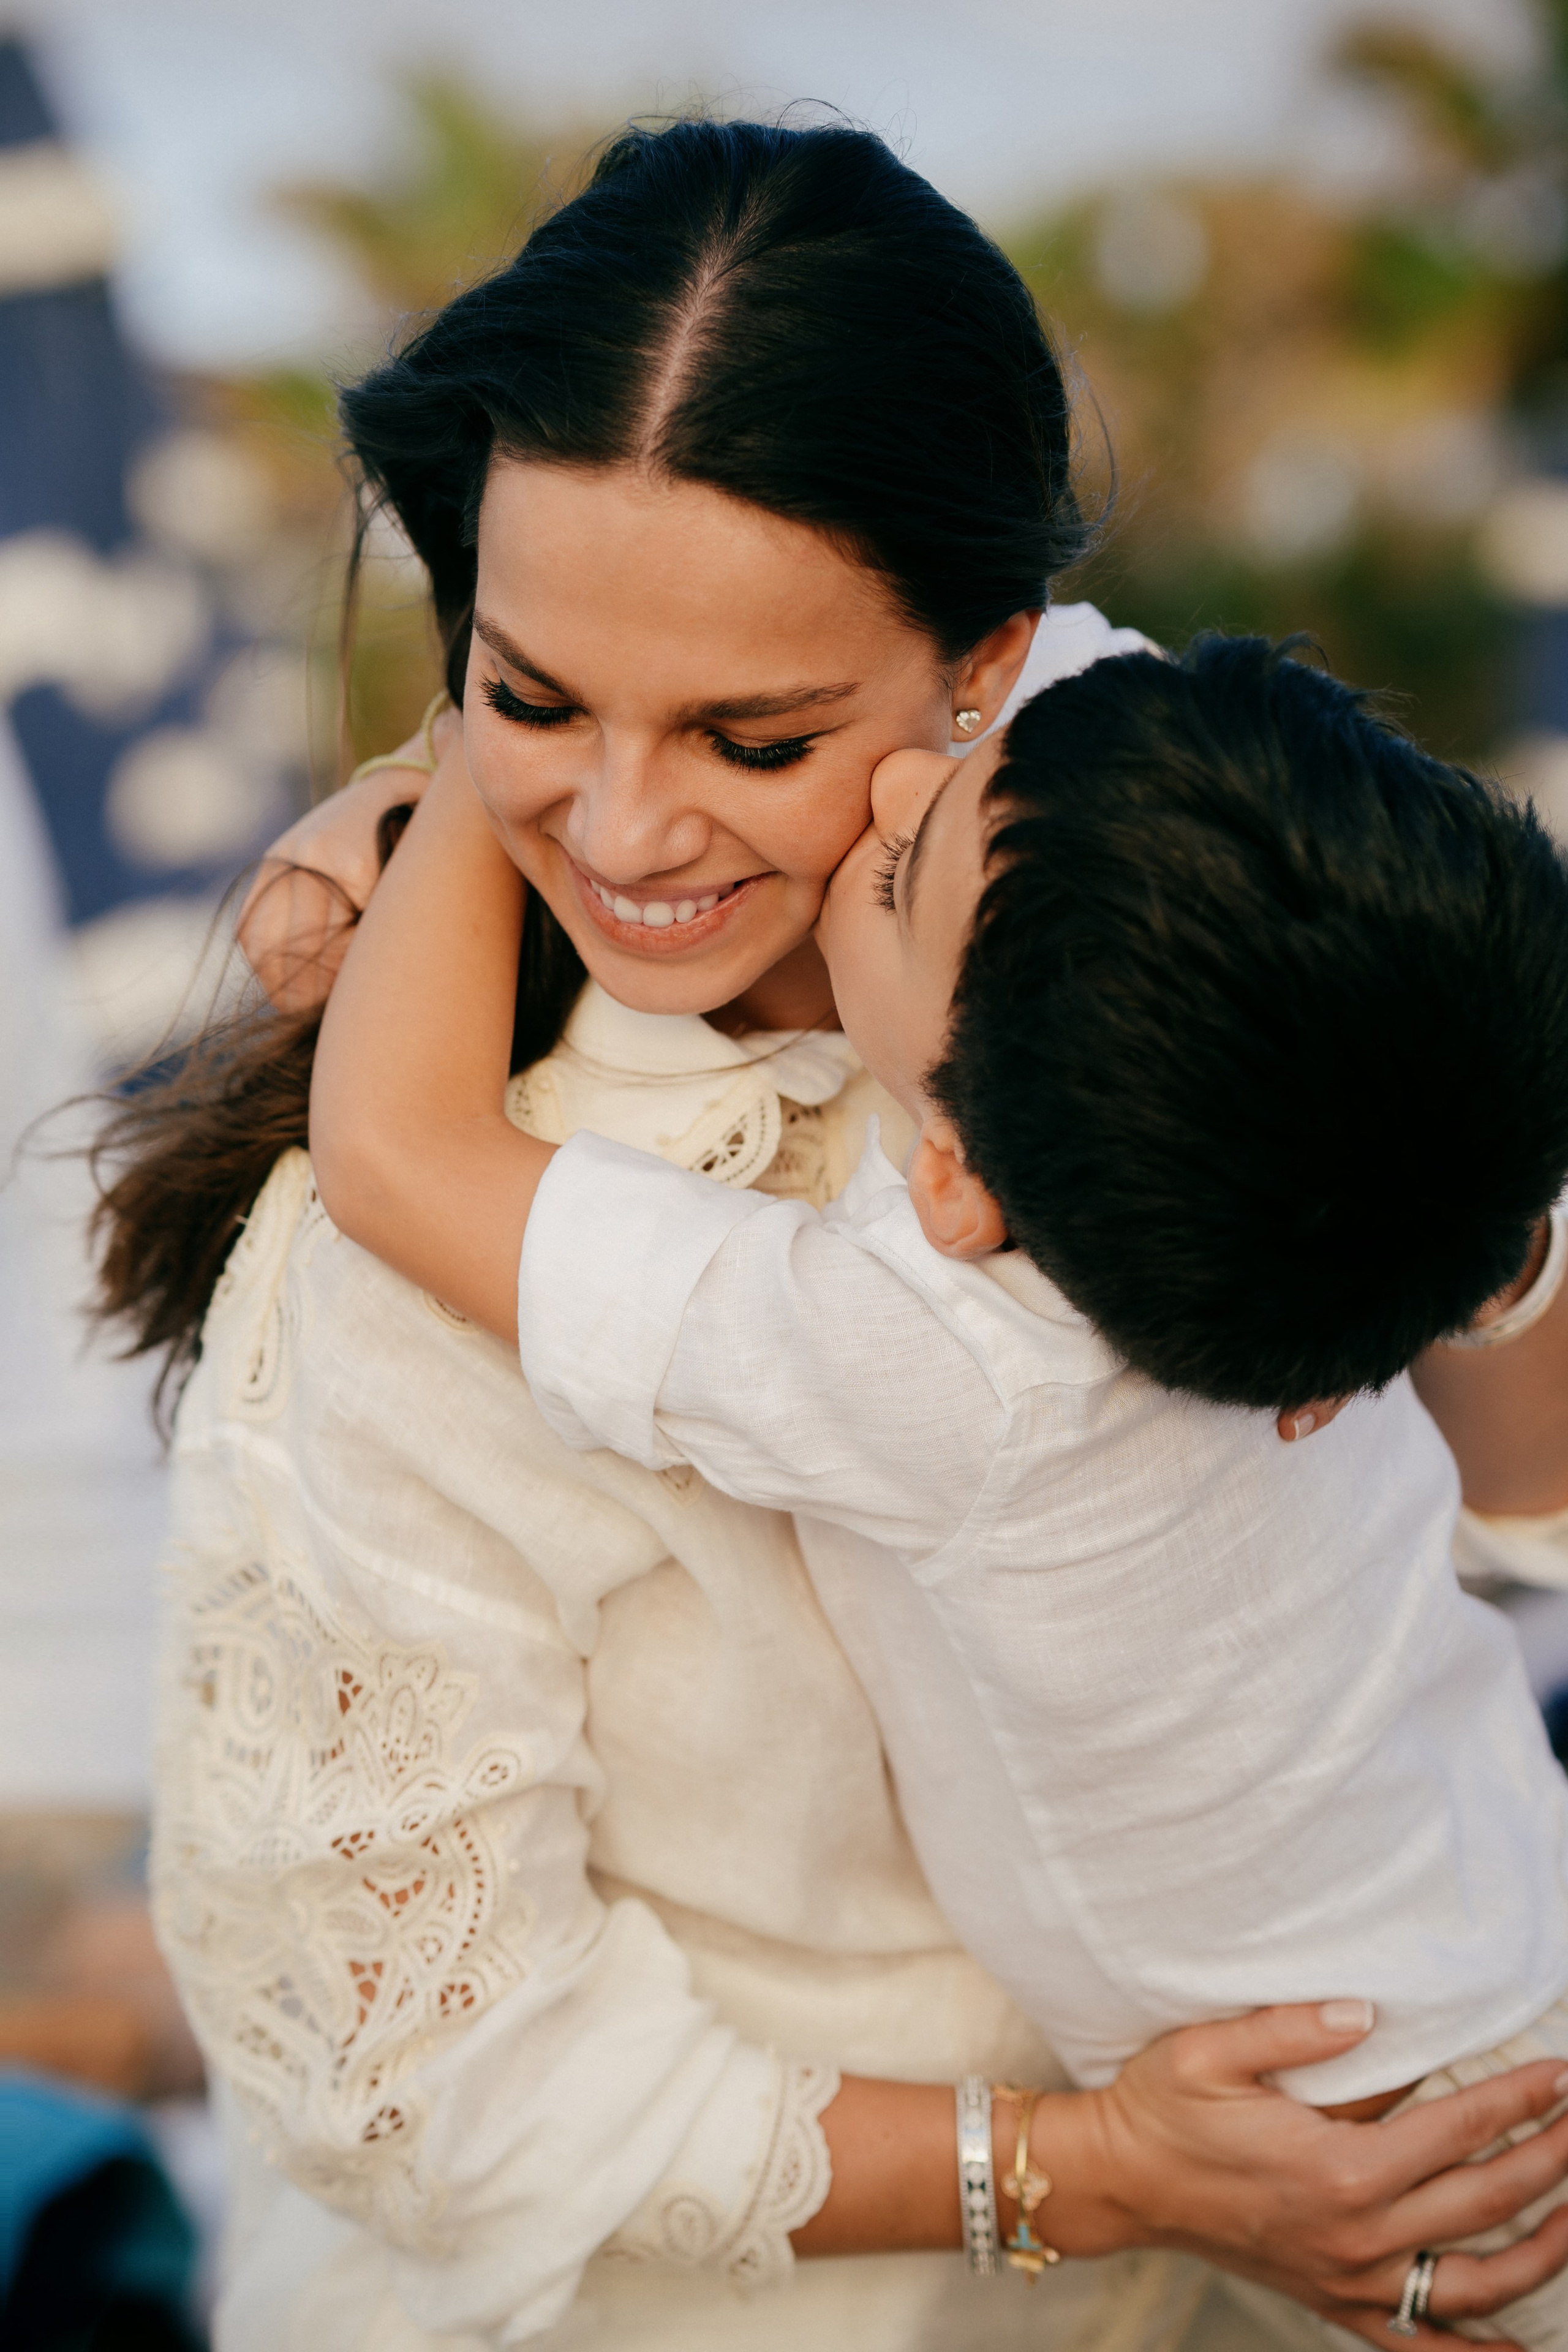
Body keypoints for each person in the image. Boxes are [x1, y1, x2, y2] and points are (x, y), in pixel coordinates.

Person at [99, 120, 1568, 2351]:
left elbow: (1527, 1481)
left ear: (989, 668)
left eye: (756, 733)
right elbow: (429, 2082)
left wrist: (1444, 1209)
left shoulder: (1114, 892)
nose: (624, 825)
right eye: (534, 691)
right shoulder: (427, 1277)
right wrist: (1086, 2173)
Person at [307, 631, 1568, 2345]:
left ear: (959, 1178)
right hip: (1500, 1941)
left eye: (901, 874)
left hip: (1422, 2161)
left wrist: (500, 735)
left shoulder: (939, 1357)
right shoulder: (1318, 1146)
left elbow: (395, 1156)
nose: (897, 783)